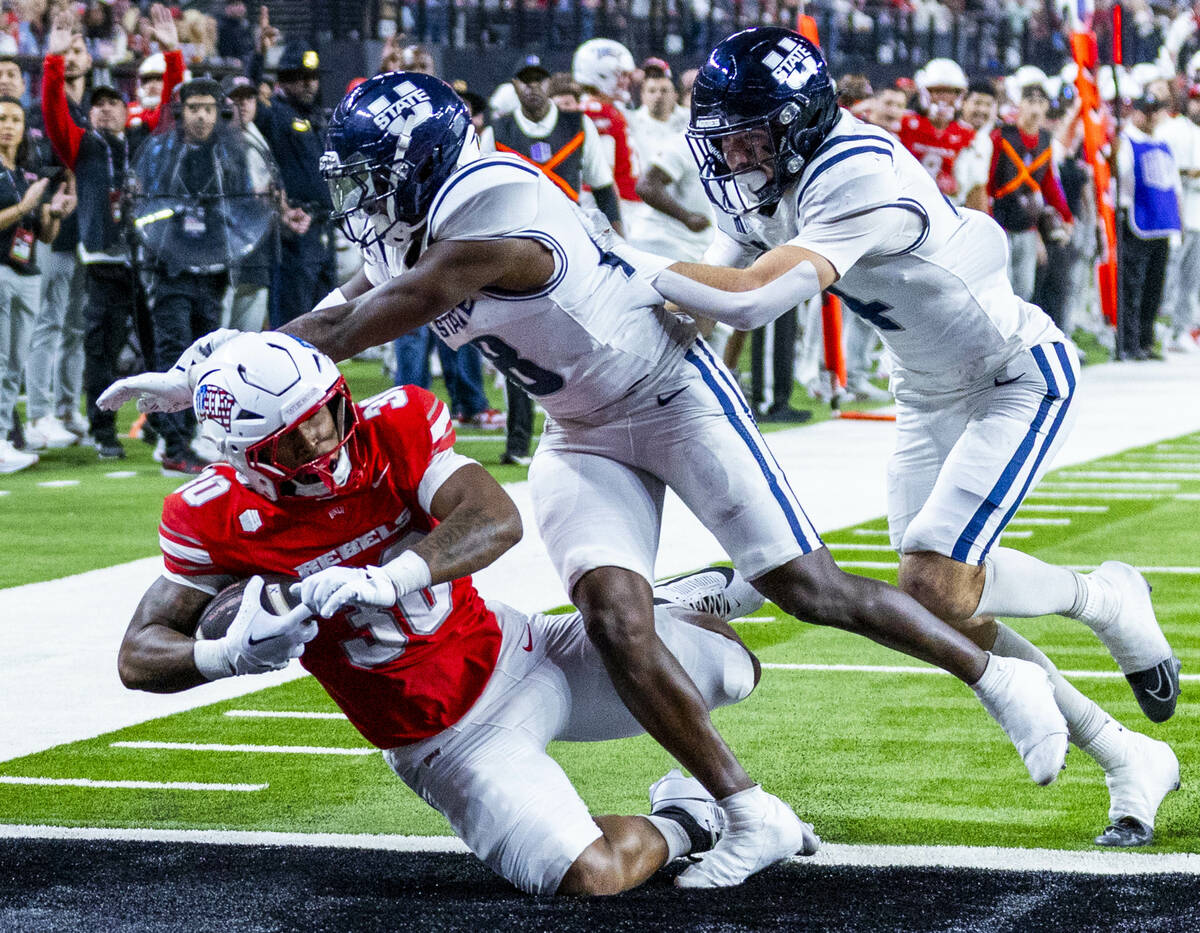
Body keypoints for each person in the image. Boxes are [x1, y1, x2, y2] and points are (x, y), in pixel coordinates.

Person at [104, 72, 1076, 885]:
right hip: (581, 427)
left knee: (807, 587)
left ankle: (996, 678)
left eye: (371, 178)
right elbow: (340, 301)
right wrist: (219, 373)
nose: (358, 198)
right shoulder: (412, 222)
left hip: (667, 393)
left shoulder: (494, 215)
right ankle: (744, 811)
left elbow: (387, 308)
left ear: (422, 168)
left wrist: (213, 375)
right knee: (614, 613)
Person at [627, 27, 1178, 845]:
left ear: (804, 122)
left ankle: (1107, 598)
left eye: (752, 132)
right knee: (940, 606)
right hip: (923, 389)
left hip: (1013, 372)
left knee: (930, 585)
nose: (736, 153)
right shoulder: (757, 181)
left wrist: (608, 256)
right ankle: (1124, 750)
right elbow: (705, 304)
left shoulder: (855, 170)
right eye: (725, 135)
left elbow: (748, 297)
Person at [116, 330, 801, 895]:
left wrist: (390, 578)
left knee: (735, 669)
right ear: (246, 456)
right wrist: (227, 653)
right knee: (591, 876)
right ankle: (687, 814)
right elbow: (139, 652)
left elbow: (495, 518)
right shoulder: (211, 515)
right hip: (445, 738)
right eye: (292, 439)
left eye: (324, 411)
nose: (323, 439)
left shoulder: (393, 428)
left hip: (524, 648)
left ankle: (663, 607)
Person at [42, 9, 183, 459]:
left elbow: (175, 109)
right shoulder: (81, 145)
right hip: (104, 261)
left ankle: (163, 427)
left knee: (159, 350)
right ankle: (102, 431)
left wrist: (172, 52)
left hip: (147, 259)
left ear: (127, 111)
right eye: (97, 103)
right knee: (100, 351)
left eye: (112, 103)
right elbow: (52, 109)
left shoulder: (145, 140)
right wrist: (54, 62)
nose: (104, 108)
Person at [481, 53, 622, 464]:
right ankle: (518, 444)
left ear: (550, 84)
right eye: (525, 80)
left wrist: (616, 242)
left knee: (583, 339)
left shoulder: (578, 126)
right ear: (515, 85)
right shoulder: (498, 131)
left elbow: (604, 187)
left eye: (539, 79)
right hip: (516, 246)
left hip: (572, 245)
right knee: (515, 343)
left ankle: (594, 430)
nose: (532, 88)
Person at [0, 95, 71, 473]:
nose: (8, 125)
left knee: (14, 361)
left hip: (27, 271)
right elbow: (18, 215)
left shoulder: (26, 172)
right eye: (1, 118)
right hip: (0, 270)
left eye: (14, 119)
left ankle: (4, 437)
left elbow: (43, 236)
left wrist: (53, 214)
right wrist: (25, 207)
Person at [252, 38, 337, 328]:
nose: (310, 84)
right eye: (301, 78)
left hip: (323, 226)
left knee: (325, 316)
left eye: (313, 78)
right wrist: (258, 59)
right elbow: (249, 104)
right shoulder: (275, 114)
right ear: (285, 80)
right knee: (294, 317)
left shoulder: (316, 118)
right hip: (294, 230)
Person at [987, 70, 1073, 302]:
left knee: (1024, 290)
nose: (1035, 108)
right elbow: (990, 178)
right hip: (1000, 220)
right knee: (1000, 288)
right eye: (1030, 100)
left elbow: (1048, 183)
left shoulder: (1045, 140)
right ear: (1020, 104)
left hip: (1027, 224)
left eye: (1041, 101)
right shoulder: (1002, 136)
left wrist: (1065, 215)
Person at [1117, 93, 1182, 360]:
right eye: (1148, 111)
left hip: (1162, 225)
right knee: (1133, 286)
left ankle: (1146, 340)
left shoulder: (1164, 143)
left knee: (1155, 287)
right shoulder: (1126, 143)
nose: (1153, 116)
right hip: (1137, 222)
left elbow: (1173, 184)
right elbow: (1122, 178)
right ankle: (1129, 342)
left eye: (1157, 111)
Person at [1156, 82, 1200, 352]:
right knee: (1169, 274)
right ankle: (1162, 326)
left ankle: (1183, 329)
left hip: (1199, 215)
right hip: (1175, 213)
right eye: (1195, 100)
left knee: (1192, 278)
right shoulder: (1170, 131)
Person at [898, 58, 974, 199]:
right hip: (906, 197)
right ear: (924, 92)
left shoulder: (966, 132)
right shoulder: (906, 122)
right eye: (937, 91)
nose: (943, 98)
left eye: (950, 92)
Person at [954, 79, 998, 212]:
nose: (982, 110)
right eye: (977, 103)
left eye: (988, 105)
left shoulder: (985, 142)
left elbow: (979, 188)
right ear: (963, 103)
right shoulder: (949, 131)